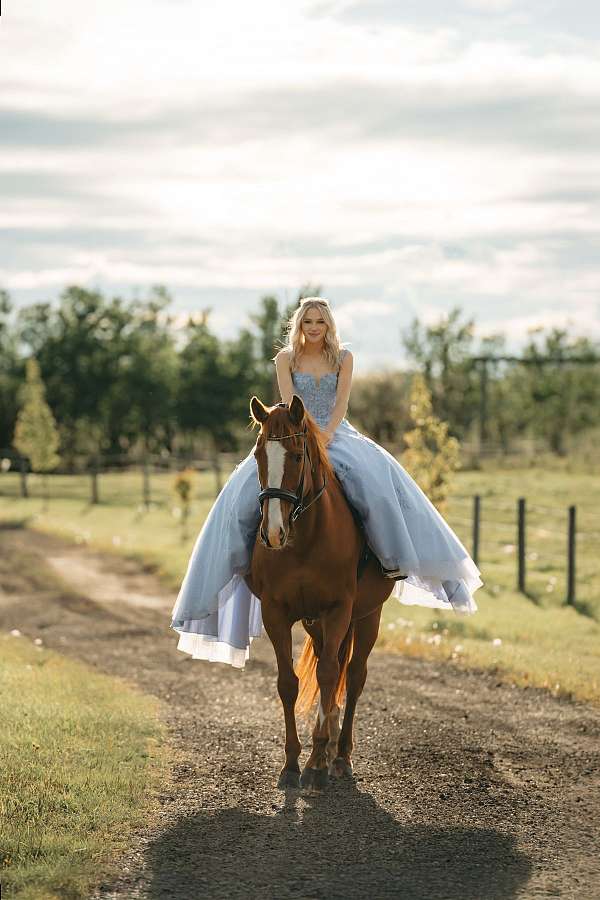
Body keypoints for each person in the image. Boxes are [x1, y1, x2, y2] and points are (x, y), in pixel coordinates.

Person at [171, 297, 482, 667]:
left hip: (337, 435)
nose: (314, 327)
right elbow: (290, 407)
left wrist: (327, 436)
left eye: (320, 321)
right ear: (299, 326)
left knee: (377, 485)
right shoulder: (285, 359)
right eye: (308, 322)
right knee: (240, 492)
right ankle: (236, 563)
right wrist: (306, 438)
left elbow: (341, 405)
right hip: (295, 435)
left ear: (329, 325)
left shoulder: (343, 358)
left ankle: (389, 557)